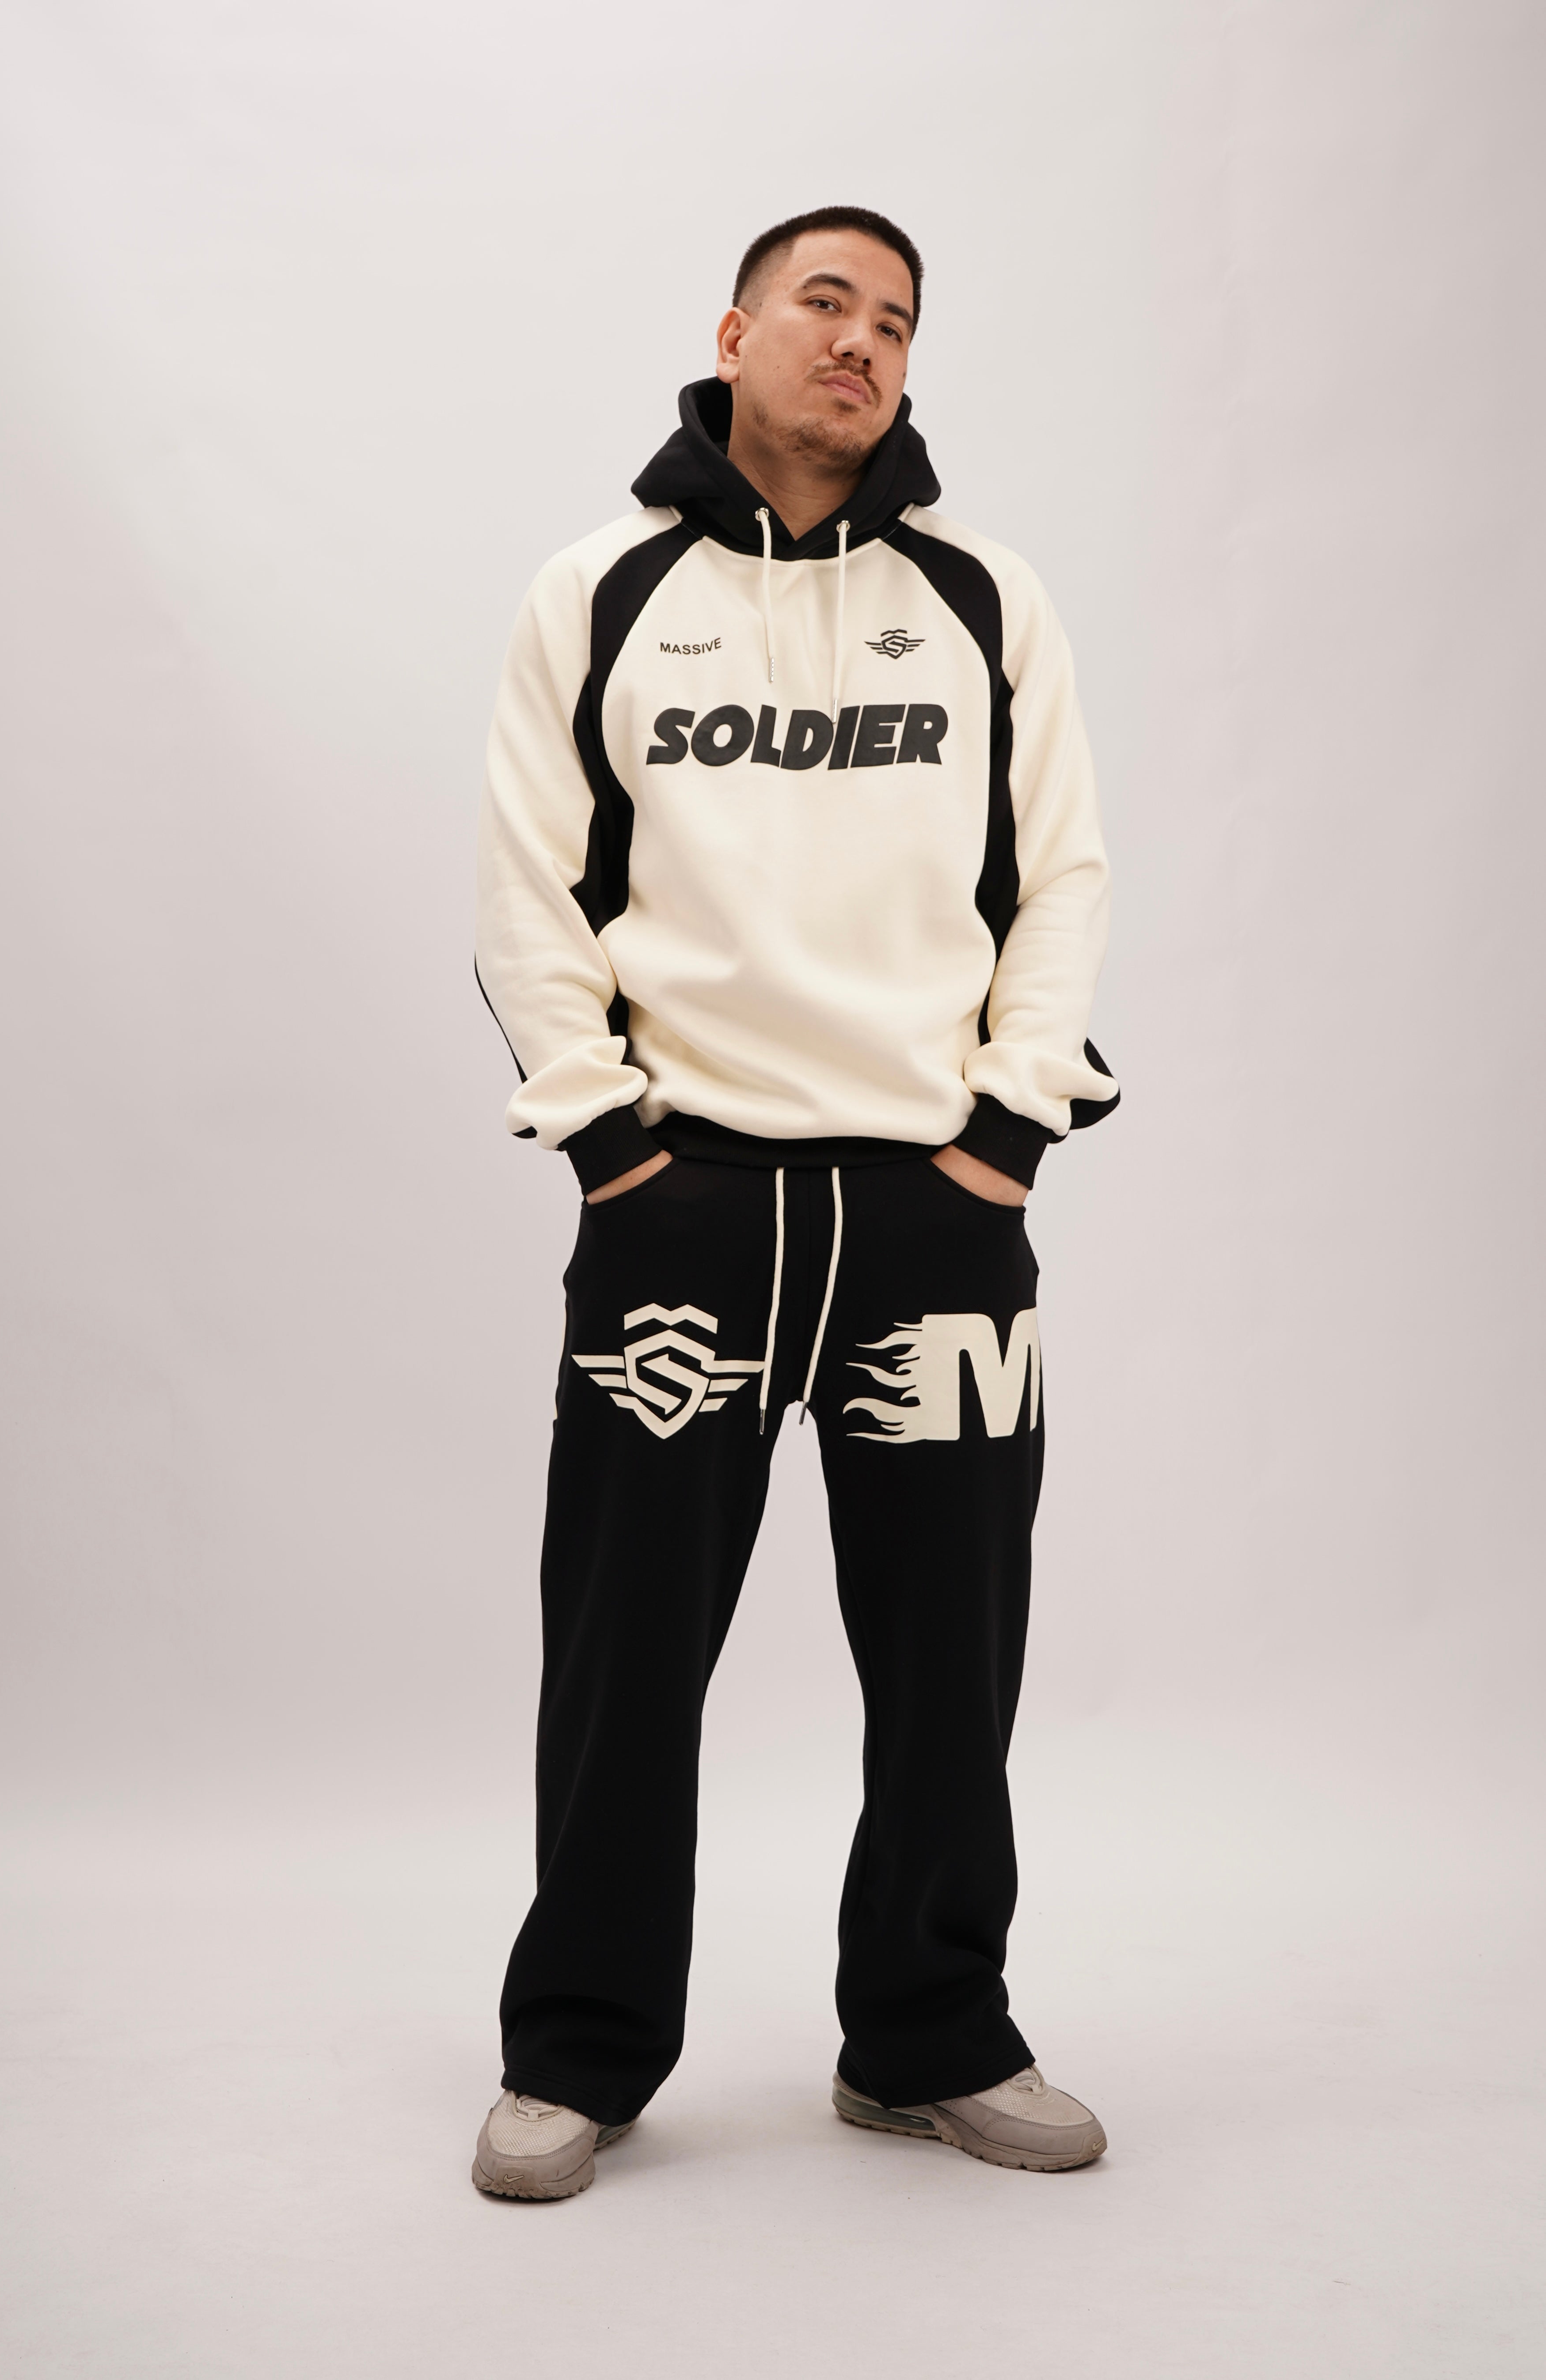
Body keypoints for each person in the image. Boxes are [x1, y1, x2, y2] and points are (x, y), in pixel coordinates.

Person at [471, 205, 1119, 2202]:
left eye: (895, 322)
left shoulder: (983, 594)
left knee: (951, 1655)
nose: (860, 342)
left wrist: (1004, 1142)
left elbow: (1062, 875)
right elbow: (527, 891)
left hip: (936, 1215)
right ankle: (579, 2049)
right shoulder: (601, 588)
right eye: (824, 303)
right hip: (689, 1208)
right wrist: (613, 1152)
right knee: (623, 1654)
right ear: (736, 330)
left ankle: (929, 2032)